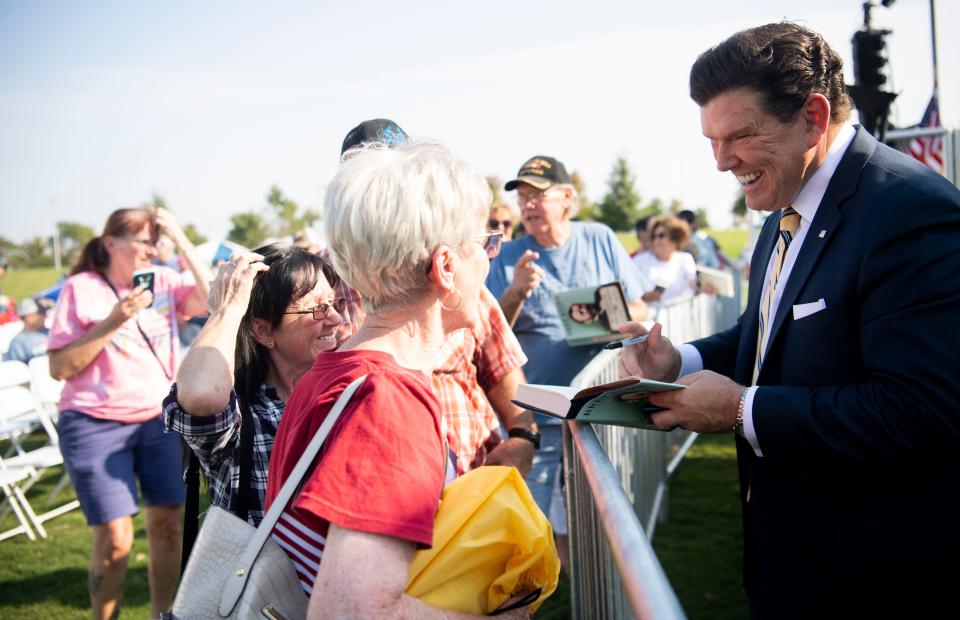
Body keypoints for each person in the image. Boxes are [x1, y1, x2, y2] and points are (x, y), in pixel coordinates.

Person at [619, 23, 960, 617]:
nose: (723, 162)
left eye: (741, 136)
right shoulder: (784, 205)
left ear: (812, 115)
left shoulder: (909, 211)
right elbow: (768, 335)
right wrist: (680, 361)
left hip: (878, 576)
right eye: (712, 140)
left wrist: (741, 410)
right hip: (790, 561)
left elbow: (921, 408)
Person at [266, 142, 526, 618]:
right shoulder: (389, 403)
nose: (488, 262)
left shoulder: (332, 373)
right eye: (484, 245)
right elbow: (353, 612)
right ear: (446, 267)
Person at [335, 119, 539, 477]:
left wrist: (523, 437)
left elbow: (500, 361)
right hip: (391, 480)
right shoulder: (320, 282)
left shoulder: (456, 264)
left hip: (478, 480)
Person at [47, 206, 210, 620]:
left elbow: (213, 299)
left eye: (158, 241)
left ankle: (162, 616)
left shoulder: (163, 281)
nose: (153, 249)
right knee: (117, 540)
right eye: (145, 240)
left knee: (168, 528)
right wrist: (113, 321)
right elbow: (60, 368)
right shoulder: (82, 288)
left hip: (157, 421)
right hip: (92, 423)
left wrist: (180, 233)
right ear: (111, 243)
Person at [486, 154, 649, 547]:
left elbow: (642, 307)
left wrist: (608, 319)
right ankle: (536, 586)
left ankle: (594, 581)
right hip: (537, 409)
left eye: (537, 194)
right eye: (522, 196)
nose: (528, 204)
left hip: (603, 405)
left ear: (566, 198)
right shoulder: (508, 257)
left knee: (604, 507)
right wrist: (516, 292)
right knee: (531, 512)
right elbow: (492, 334)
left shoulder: (598, 238)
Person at [162, 244, 343, 525]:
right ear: (263, 331)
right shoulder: (245, 413)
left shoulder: (346, 389)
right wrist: (226, 310)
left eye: (333, 303)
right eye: (317, 309)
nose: (336, 319)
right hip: (267, 568)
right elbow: (199, 395)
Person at [632, 215, 698, 307]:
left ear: (675, 238)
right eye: (653, 236)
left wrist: (703, 288)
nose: (656, 240)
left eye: (661, 236)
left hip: (678, 314)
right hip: (649, 316)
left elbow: (693, 286)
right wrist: (644, 296)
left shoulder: (685, 259)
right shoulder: (640, 260)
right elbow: (629, 291)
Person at [3, 297, 48, 363]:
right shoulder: (18, 342)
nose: (45, 316)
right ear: (29, 317)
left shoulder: (52, 332)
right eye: (41, 313)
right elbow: (15, 369)